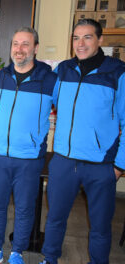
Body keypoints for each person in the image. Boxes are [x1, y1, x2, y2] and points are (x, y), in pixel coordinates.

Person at [40, 19, 125, 264]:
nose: (80, 43)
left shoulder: (117, 72)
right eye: (76, 38)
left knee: (100, 225)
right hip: (64, 161)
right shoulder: (63, 70)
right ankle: (50, 258)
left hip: (100, 165)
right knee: (55, 217)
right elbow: (45, 100)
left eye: (87, 37)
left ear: (100, 40)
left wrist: (119, 165)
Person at [0, 28, 56, 264]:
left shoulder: (50, 80)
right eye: (15, 44)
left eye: (25, 44)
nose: (19, 49)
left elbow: (71, 109)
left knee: (24, 209)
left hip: (29, 158)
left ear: (35, 48)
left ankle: (17, 252)